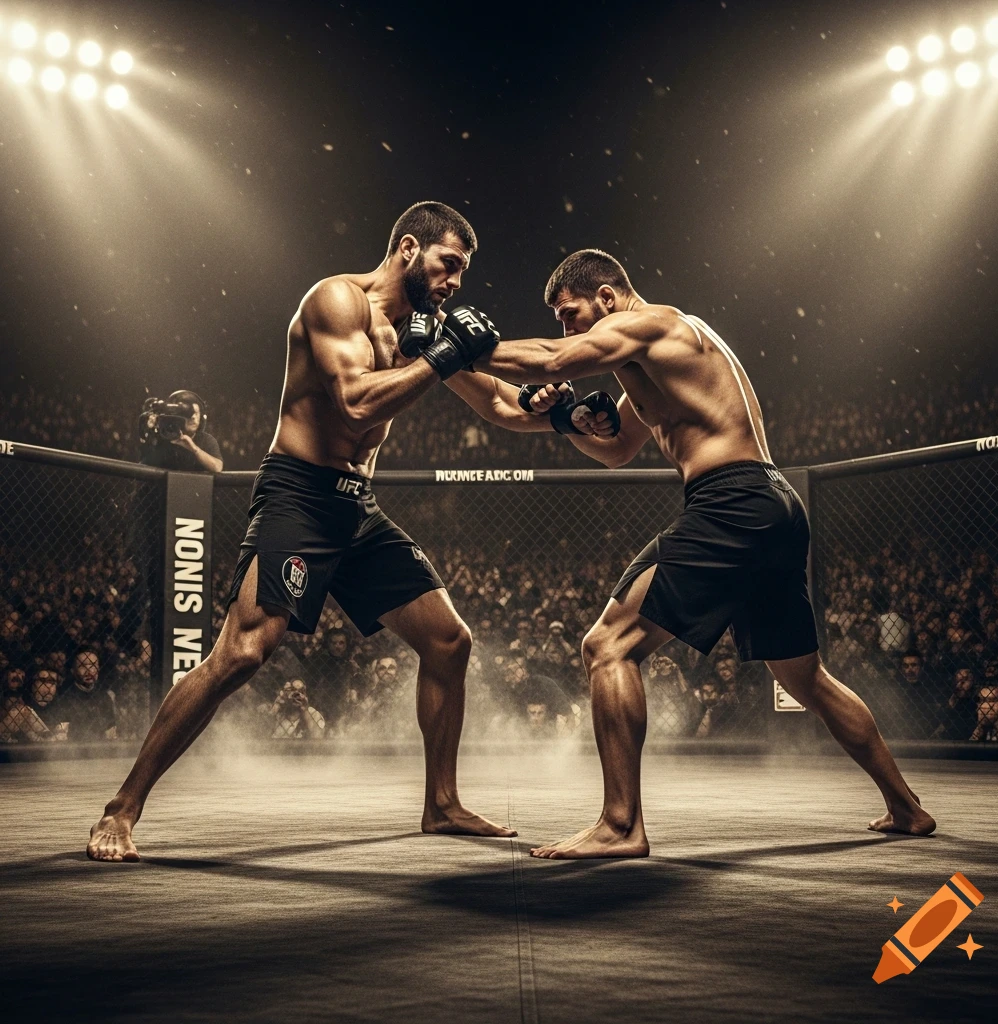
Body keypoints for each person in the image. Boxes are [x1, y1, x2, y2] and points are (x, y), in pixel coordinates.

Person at [87, 202, 617, 861]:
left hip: (355, 506)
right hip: (299, 494)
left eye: (463, 272)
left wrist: (561, 420)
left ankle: (442, 805)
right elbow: (356, 400)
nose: (454, 282)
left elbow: (502, 407)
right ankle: (121, 808)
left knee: (450, 642)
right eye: (448, 264)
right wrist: (443, 358)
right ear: (406, 249)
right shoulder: (335, 301)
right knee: (243, 653)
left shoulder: (424, 329)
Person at [477, 247, 936, 857]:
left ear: (607, 298)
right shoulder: (646, 363)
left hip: (733, 501)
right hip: (770, 506)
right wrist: (565, 420)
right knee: (805, 676)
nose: (566, 327)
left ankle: (621, 826)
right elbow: (617, 449)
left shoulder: (657, 323)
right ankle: (907, 809)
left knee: (607, 645)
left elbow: (554, 359)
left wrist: (462, 347)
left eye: (570, 312)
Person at [140, 391, 224, 473]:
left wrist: (193, 448)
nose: (193, 417)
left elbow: (217, 467)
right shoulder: (165, 436)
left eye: (196, 413)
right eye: (188, 413)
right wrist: (149, 431)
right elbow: (143, 465)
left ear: (201, 417)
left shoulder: (207, 440)